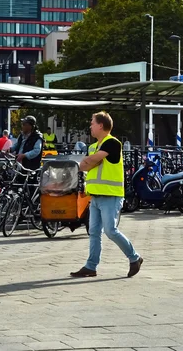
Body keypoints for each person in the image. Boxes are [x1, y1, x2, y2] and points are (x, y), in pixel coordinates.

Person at [70, 111, 142, 278]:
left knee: (110, 231)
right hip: (95, 196)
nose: (90, 126)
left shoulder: (113, 143)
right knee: (94, 232)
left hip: (111, 196)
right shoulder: (93, 147)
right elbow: (85, 165)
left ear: (101, 125)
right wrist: (91, 160)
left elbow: (89, 162)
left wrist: (90, 160)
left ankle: (134, 257)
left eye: (92, 123)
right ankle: (91, 266)